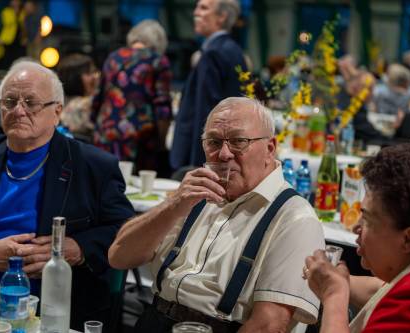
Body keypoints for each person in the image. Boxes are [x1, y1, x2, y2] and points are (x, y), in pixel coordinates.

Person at [109, 97, 325, 333]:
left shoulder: (294, 218)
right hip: (153, 321)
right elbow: (119, 257)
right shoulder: (193, 196)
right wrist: (173, 206)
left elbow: (269, 325)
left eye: (238, 141)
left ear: (270, 149)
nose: (223, 154)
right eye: (213, 141)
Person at [0, 61, 134, 332]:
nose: (18, 110)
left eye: (31, 102)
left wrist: (78, 249)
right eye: (9, 101)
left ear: (56, 112)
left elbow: (126, 230)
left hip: (56, 303)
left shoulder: (93, 166)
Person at [303, 144, 410, 333]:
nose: (357, 227)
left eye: (368, 218)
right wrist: (337, 280)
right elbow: (380, 291)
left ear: (409, 239)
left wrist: (334, 296)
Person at [170, 0, 247, 171]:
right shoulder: (233, 50)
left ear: (221, 17)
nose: (195, 12)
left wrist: (197, 163)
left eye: (203, 8)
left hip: (201, 152)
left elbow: (205, 112)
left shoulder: (213, 53)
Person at [92, 19, 172, 176]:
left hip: (105, 133)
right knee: (136, 189)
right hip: (139, 138)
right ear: (159, 42)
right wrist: (162, 144)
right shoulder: (158, 60)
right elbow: (163, 107)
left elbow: (98, 98)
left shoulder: (113, 57)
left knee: (104, 185)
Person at [57, 53, 99, 141]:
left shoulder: (59, 102)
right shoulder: (85, 104)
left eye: (95, 72)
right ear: (74, 78)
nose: (95, 77)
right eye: (88, 73)